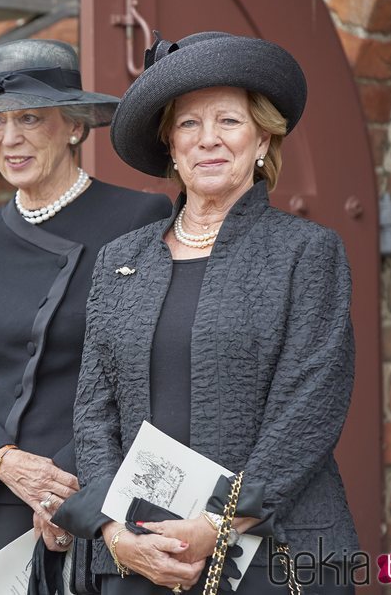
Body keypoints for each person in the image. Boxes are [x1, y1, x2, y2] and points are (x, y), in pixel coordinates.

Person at [55, 32, 359, 594]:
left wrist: (220, 521)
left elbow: (312, 405)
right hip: (140, 552)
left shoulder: (306, 252)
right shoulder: (123, 259)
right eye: (189, 124)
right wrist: (111, 529)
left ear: (264, 138)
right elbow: (94, 410)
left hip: (273, 553)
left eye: (229, 122)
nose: (208, 141)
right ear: (170, 145)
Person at [0, 39, 171, 575]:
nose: (9, 139)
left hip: (104, 488)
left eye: (30, 118)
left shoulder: (138, 218)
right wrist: (3, 460)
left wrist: (66, 481)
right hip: (6, 496)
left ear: (75, 125)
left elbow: (145, 370)